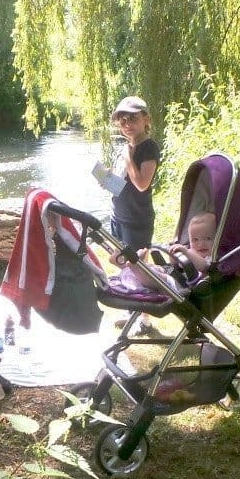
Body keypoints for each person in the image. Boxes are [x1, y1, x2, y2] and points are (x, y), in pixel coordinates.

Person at [107, 95, 161, 335]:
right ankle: (131, 310)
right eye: (122, 120)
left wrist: (128, 157)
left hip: (137, 218)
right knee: (124, 265)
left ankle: (145, 319)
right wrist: (107, 179)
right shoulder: (125, 147)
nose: (127, 124)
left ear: (146, 119)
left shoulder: (147, 147)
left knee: (139, 267)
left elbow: (141, 183)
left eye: (133, 119)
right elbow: (124, 181)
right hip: (119, 214)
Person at [120, 212, 216, 291]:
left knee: (160, 279)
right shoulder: (190, 250)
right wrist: (173, 253)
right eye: (195, 240)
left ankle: (136, 268)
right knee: (157, 269)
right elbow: (174, 263)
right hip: (175, 274)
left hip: (187, 287)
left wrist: (186, 252)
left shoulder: (212, 257)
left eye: (207, 238)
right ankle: (140, 266)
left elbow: (203, 266)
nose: (200, 244)